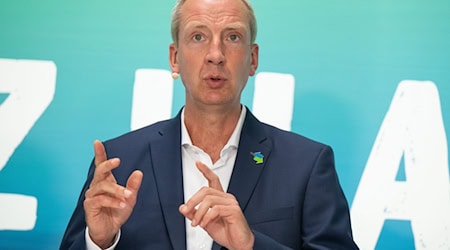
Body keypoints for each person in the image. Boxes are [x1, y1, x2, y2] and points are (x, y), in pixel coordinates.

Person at [60, 0, 359, 249]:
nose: (215, 55)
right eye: (198, 37)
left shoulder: (306, 165)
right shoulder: (119, 163)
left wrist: (250, 245)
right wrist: (99, 241)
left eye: (232, 37)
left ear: (253, 59)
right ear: (174, 58)